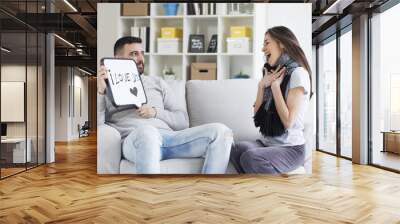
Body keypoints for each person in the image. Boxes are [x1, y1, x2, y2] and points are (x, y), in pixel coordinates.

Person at [98, 36, 233, 174]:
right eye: (134, 54)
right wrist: (101, 92)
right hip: (135, 140)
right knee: (147, 131)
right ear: (117, 59)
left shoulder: (157, 82)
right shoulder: (106, 88)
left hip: (169, 139)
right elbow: (97, 126)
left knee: (221, 132)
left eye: (142, 53)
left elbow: (183, 121)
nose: (140, 59)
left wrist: (155, 112)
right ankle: (151, 195)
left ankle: (209, 193)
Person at [230, 26, 312, 174]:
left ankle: (268, 190)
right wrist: (262, 86)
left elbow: (288, 122)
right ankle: (255, 186)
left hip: (291, 149)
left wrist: (275, 87)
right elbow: (257, 115)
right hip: (267, 144)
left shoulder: (298, 74)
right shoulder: (271, 72)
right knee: (236, 149)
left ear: (281, 43)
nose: (263, 49)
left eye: (267, 43)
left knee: (251, 158)